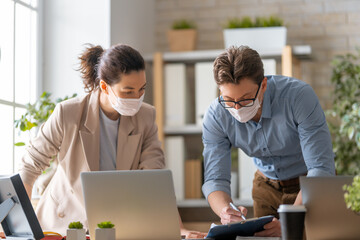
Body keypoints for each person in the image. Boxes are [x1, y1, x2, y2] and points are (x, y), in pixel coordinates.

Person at [19, 43, 206, 239]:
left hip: (116, 225)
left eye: (141, 89)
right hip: (62, 225)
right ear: (104, 87)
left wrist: (179, 230)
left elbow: (155, 180)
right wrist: (22, 226)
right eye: (128, 91)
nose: (136, 98)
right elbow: (30, 166)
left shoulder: (146, 116)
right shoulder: (68, 113)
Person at [201, 46, 336, 237]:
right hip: (266, 186)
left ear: (263, 85)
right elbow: (215, 179)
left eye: (246, 99)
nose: (237, 108)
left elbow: (321, 168)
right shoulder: (216, 115)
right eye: (229, 100)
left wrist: (290, 220)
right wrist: (225, 211)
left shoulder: (298, 97)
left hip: (310, 184)